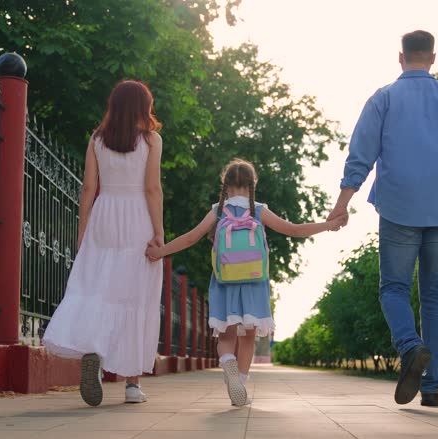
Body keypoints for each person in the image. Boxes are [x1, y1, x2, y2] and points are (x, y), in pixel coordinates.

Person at [328, 31, 438, 407]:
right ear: (433, 58)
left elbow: (361, 154)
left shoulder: (383, 98)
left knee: (394, 289)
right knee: (436, 296)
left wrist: (342, 204)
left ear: (400, 58)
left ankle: (410, 346)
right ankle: (431, 389)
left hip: (399, 208)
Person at [145, 159, 347, 406]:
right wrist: (328, 225)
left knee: (227, 337)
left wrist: (160, 251)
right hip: (254, 282)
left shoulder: (217, 211)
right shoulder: (259, 210)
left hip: (224, 282)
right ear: (253, 185)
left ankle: (227, 362)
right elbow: (294, 230)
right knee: (248, 335)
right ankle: (239, 381)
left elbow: (190, 238)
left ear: (225, 185)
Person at [43, 80, 165, 407]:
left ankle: (94, 351)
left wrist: (84, 232)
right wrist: (159, 232)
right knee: (134, 295)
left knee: (97, 289)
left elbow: (88, 188)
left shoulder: (97, 140)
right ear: (144, 107)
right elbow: (152, 189)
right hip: (138, 217)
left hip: (104, 216)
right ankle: (132, 386)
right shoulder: (151, 141)